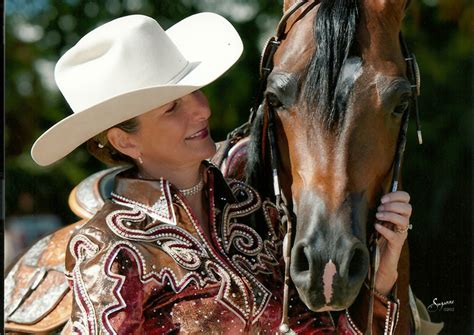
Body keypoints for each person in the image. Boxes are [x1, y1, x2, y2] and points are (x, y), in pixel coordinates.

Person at [16, 13, 411, 334]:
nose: (201, 110)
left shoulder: (256, 211)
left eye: (195, 91)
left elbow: (318, 329)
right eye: (172, 108)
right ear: (124, 141)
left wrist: (381, 281)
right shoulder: (109, 249)